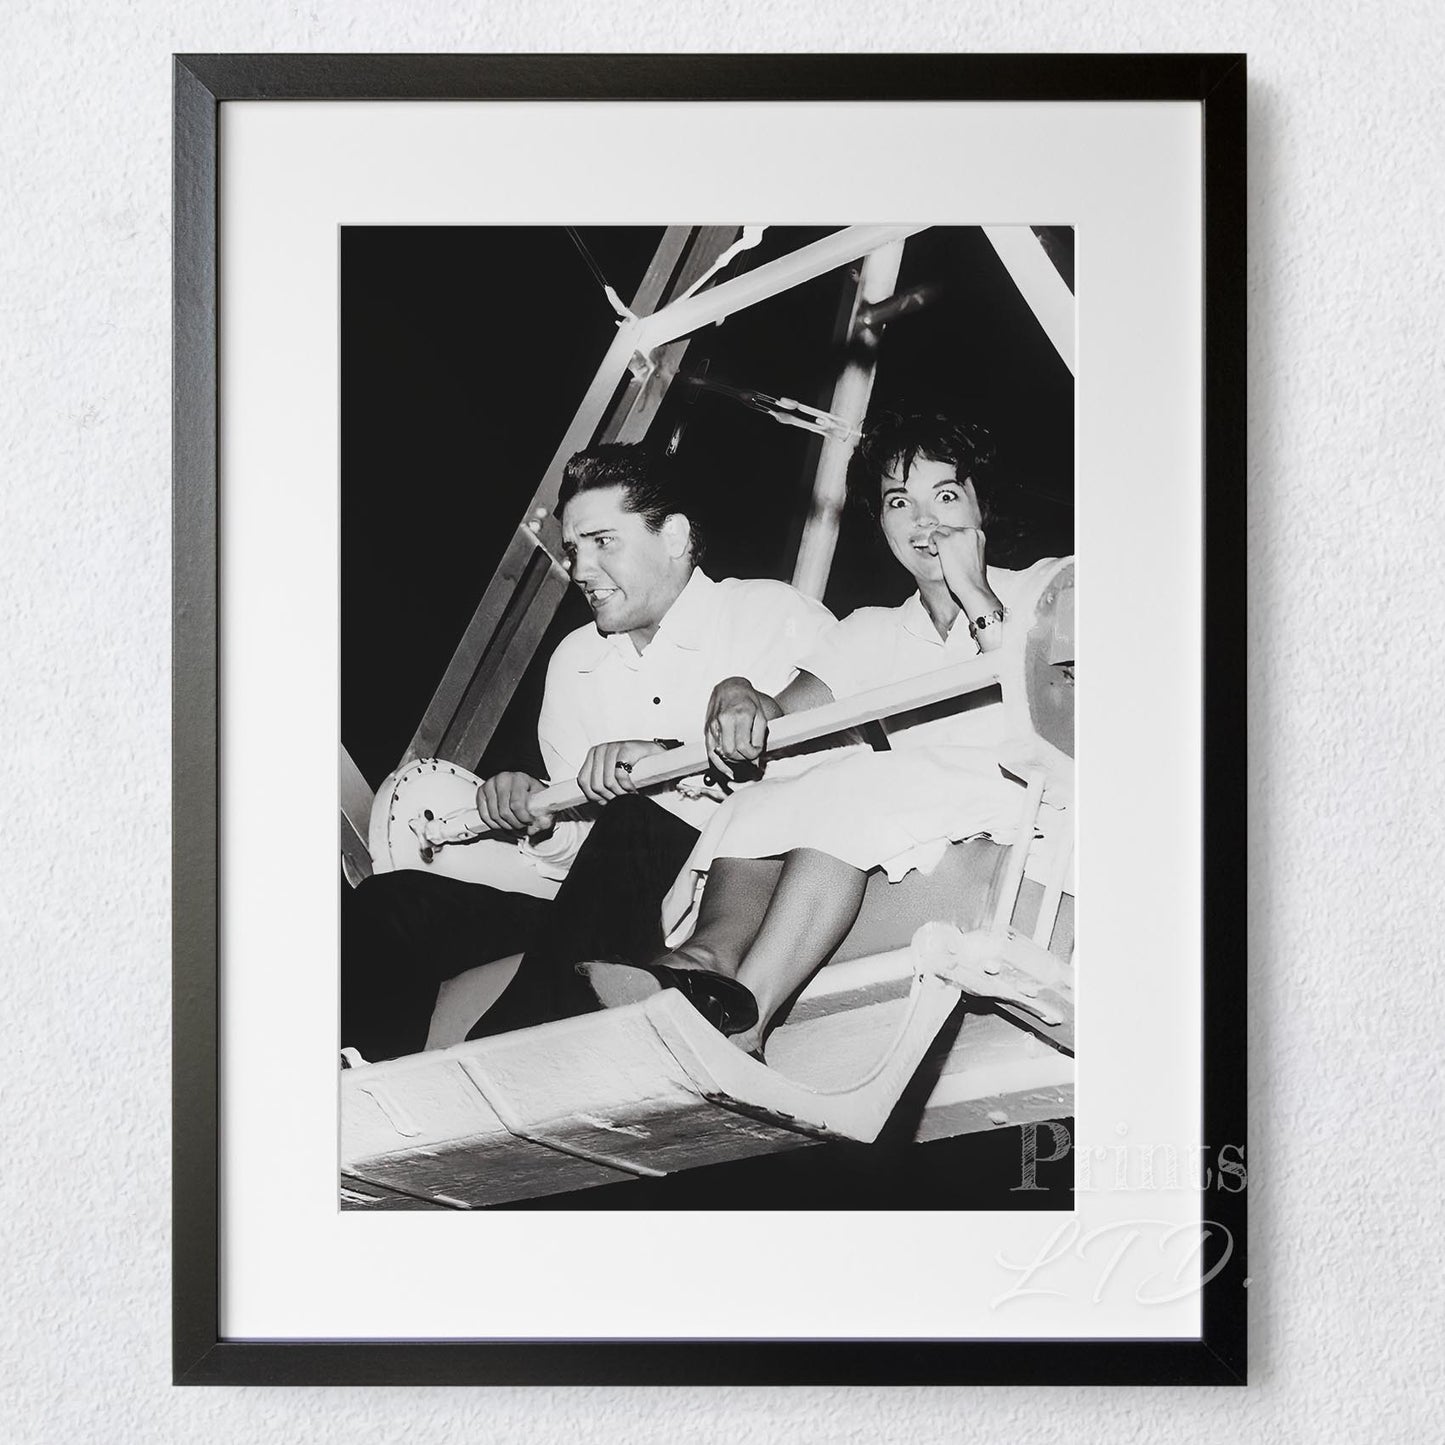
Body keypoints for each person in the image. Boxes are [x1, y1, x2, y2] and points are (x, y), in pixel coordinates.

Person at [581, 410, 1068, 1057]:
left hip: (1026, 802)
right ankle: (702, 961)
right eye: (900, 501)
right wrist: (736, 693)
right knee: (764, 791)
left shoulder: (1048, 586)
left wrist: (975, 593)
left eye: (945, 495)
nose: (924, 522)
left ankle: (745, 1024)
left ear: (980, 503)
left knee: (855, 777)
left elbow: (1056, 715)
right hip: (921, 809)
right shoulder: (870, 628)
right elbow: (778, 722)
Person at [342, 443, 836, 1059]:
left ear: (675, 536)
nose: (579, 569)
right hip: (598, 894)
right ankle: (358, 1098)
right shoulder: (574, 664)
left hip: (721, 886)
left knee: (636, 816)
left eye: (604, 542)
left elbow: (834, 769)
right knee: (391, 907)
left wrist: (662, 761)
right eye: (574, 550)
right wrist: (542, 820)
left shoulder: (768, 614)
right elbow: (577, 855)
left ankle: (517, 1064)